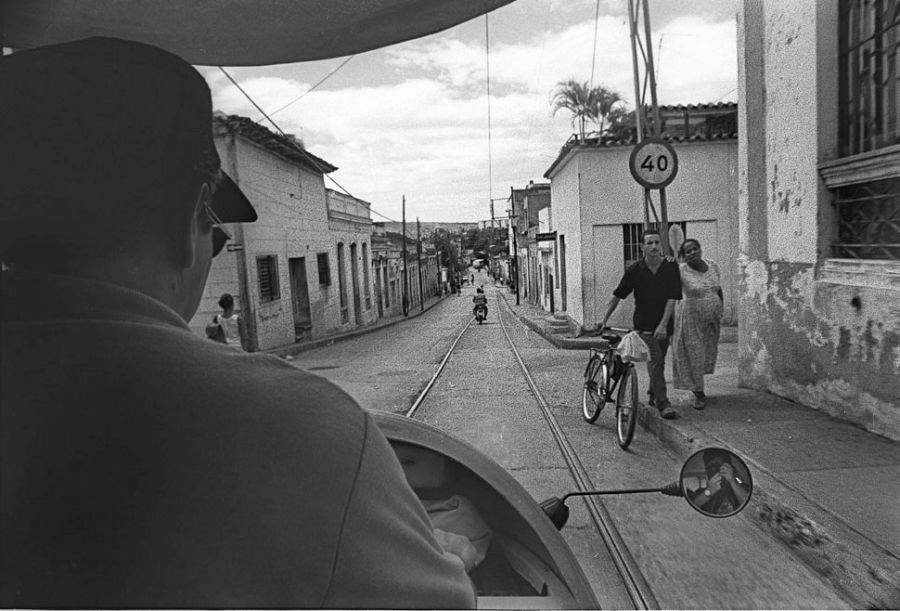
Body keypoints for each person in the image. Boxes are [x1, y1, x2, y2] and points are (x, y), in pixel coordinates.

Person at [0, 37, 474, 609]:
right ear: (188, 219)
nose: (218, 243)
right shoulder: (299, 427)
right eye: (214, 225)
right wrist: (453, 559)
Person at [598, 229, 682, 419]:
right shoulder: (635, 270)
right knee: (656, 361)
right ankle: (663, 403)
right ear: (642, 247)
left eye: (657, 243)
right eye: (649, 243)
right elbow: (617, 295)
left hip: (665, 325)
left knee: (658, 363)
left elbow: (672, 298)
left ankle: (653, 395)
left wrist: (662, 325)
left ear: (661, 245)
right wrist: (603, 320)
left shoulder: (670, 266)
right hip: (643, 326)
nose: (654, 247)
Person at [672, 239, 723, 409]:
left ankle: (698, 386)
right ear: (684, 256)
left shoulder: (712, 265)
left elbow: (718, 289)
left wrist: (720, 309)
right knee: (694, 354)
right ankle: (699, 393)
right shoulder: (680, 270)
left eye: (695, 249)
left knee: (707, 353)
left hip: (711, 318)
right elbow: (671, 293)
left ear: (700, 249)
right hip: (690, 318)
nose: (693, 252)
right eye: (688, 251)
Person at [689, 449, 751, 515]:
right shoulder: (702, 493)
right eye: (710, 468)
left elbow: (751, 506)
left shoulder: (742, 487)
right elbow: (690, 508)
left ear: (729, 468)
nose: (714, 470)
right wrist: (709, 491)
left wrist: (732, 481)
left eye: (718, 465)